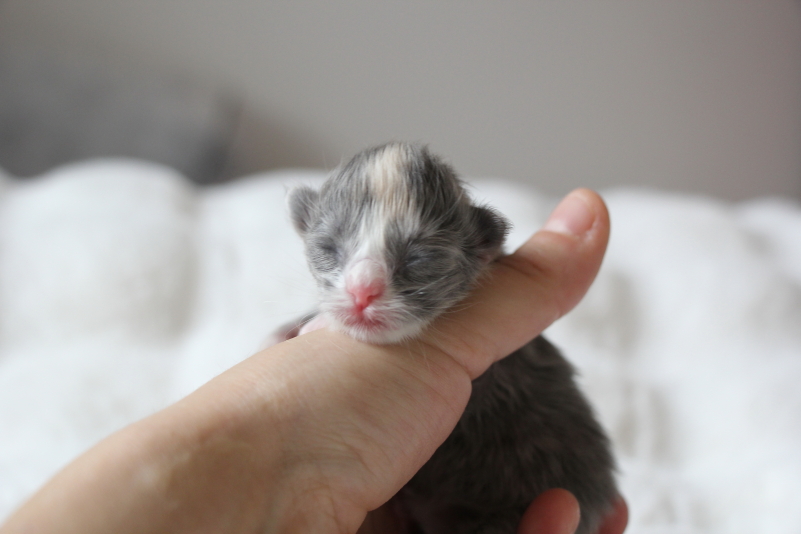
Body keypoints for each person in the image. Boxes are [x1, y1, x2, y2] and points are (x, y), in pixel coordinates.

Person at [0, 189, 627, 534]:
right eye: (333, 251)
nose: (362, 287)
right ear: (305, 227)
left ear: (482, 250)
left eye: (418, 260)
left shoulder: (488, 341)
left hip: (515, 497)